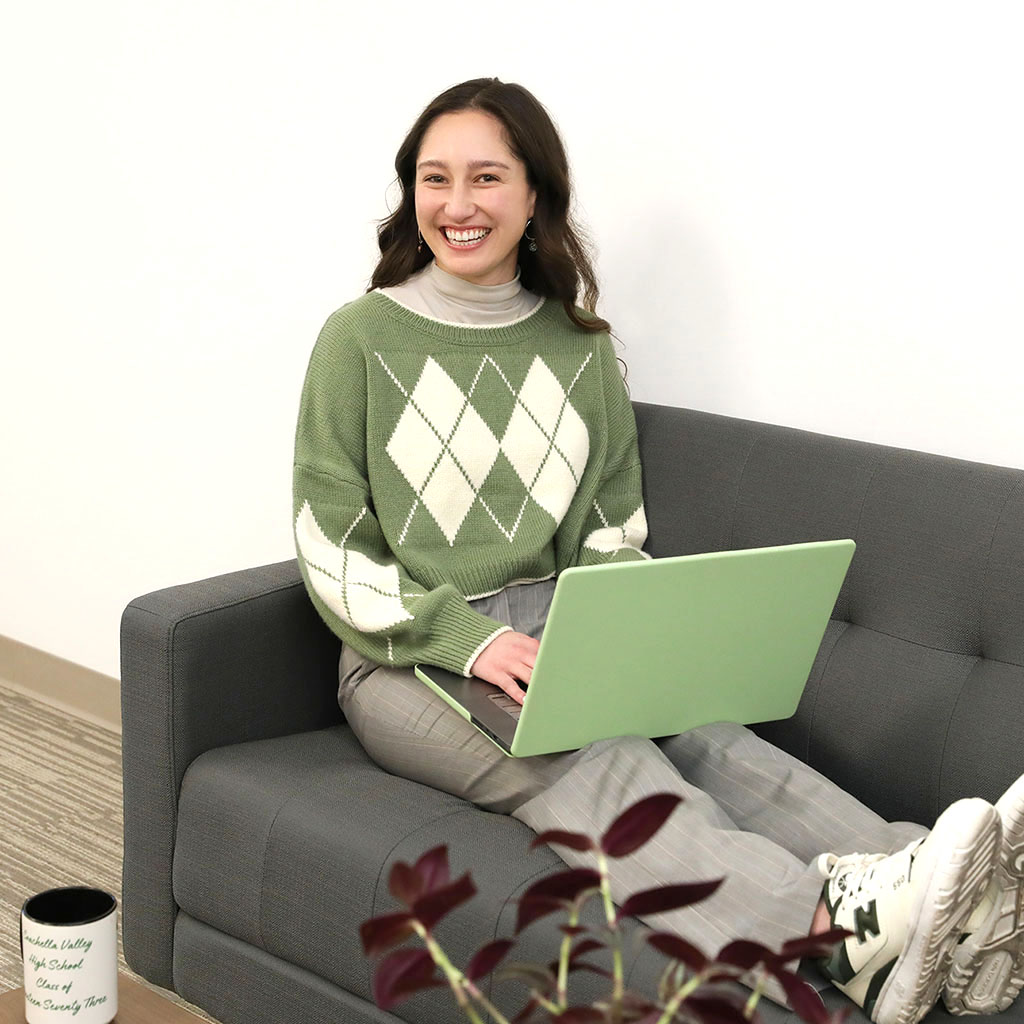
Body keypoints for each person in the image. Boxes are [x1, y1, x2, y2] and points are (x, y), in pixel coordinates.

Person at [291, 77, 1024, 1024]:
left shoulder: (579, 350)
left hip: (563, 623)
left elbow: (607, 530)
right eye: (436, 179)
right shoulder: (359, 340)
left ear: (534, 198)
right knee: (591, 763)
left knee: (710, 737)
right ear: (412, 195)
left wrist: (622, 635)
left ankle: (940, 888)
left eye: (485, 178)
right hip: (409, 657)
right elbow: (329, 538)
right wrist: (469, 642)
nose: (458, 205)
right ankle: (832, 936)